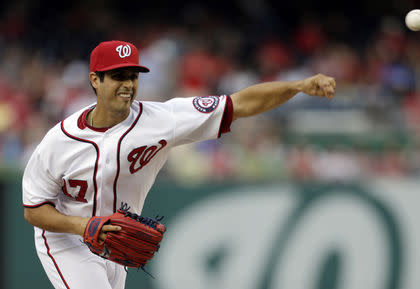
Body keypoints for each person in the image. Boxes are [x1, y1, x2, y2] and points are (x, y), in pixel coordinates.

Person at [22, 40, 336, 289]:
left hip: (114, 243)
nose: (128, 84)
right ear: (95, 79)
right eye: (118, 76)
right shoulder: (58, 142)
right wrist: (82, 226)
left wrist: (297, 86)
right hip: (67, 239)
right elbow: (33, 210)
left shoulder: (162, 120)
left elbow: (239, 103)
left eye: (133, 76)